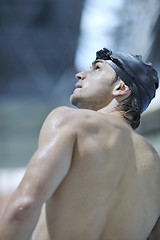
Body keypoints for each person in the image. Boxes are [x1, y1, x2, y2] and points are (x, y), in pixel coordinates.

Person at [0, 48, 160, 240]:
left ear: (120, 88)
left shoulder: (72, 121)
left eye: (97, 69)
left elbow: (25, 205)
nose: (80, 74)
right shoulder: (155, 165)